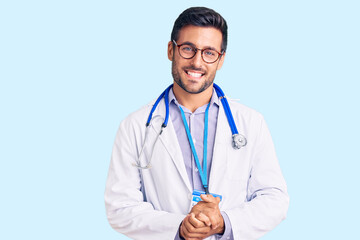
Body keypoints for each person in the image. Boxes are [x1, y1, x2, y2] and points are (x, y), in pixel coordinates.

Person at [105, 7, 289, 240]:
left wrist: (223, 222)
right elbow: (120, 208)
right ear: (171, 50)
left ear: (220, 60)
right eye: (188, 49)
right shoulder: (135, 126)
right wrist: (179, 226)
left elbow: (275, 198)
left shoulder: (251, 123)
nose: (197, 62)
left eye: (209, 52)